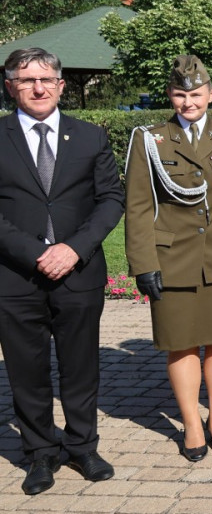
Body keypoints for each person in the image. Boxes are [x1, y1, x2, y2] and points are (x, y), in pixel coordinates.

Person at [0, 48, 123, 494]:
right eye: (27, 79)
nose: (38, 87)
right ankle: (39, 454)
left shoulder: (89, 137)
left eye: (46, 79)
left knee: (80, 366)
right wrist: (35, 252)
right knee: (26, 370)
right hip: (15, 276)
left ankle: (83, 446)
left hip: (79, 272)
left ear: (61, 85)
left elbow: (111, 199)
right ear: (11, 85)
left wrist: (74, 248)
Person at [124, 55, 212, 462]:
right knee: (180, 344)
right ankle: (191, 424)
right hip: (172, 258)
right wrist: (143, 263)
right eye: (180, 94)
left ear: (211, 94)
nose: (188, 102)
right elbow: (139, 206)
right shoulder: (150, 139)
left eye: (196, 93)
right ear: (170, 95)